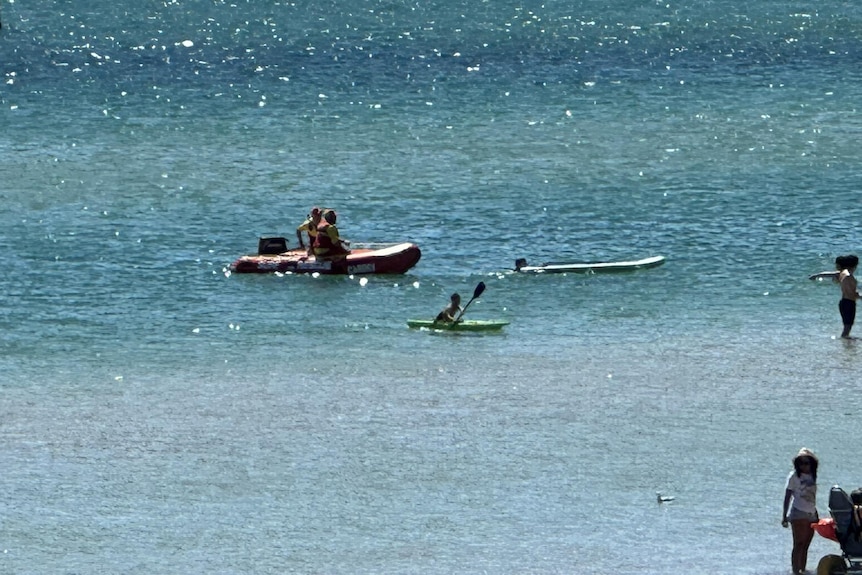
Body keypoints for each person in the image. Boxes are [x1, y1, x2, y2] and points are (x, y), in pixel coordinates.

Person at [782, 447, 819, 575]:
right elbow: (787, 496)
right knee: (798, 543)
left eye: (806, 462)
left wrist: (816, 513)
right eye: (801, 463)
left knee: (806, 545)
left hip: (812, 513)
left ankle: (803, 570)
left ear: (812, 463)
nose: (803, 466)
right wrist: (784, 515)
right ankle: (795, 571)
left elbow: (812, 497)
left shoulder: (812, 475)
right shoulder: (794, 476)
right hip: (798, 512)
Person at [837, 255, 861, 338]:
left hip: (844, 302)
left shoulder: (843, 273)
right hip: (849, 303)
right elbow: (851, 293)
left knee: (847, 326)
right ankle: (845, 343)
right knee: (848, 326)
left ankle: (845, 343)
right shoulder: (848, 276)